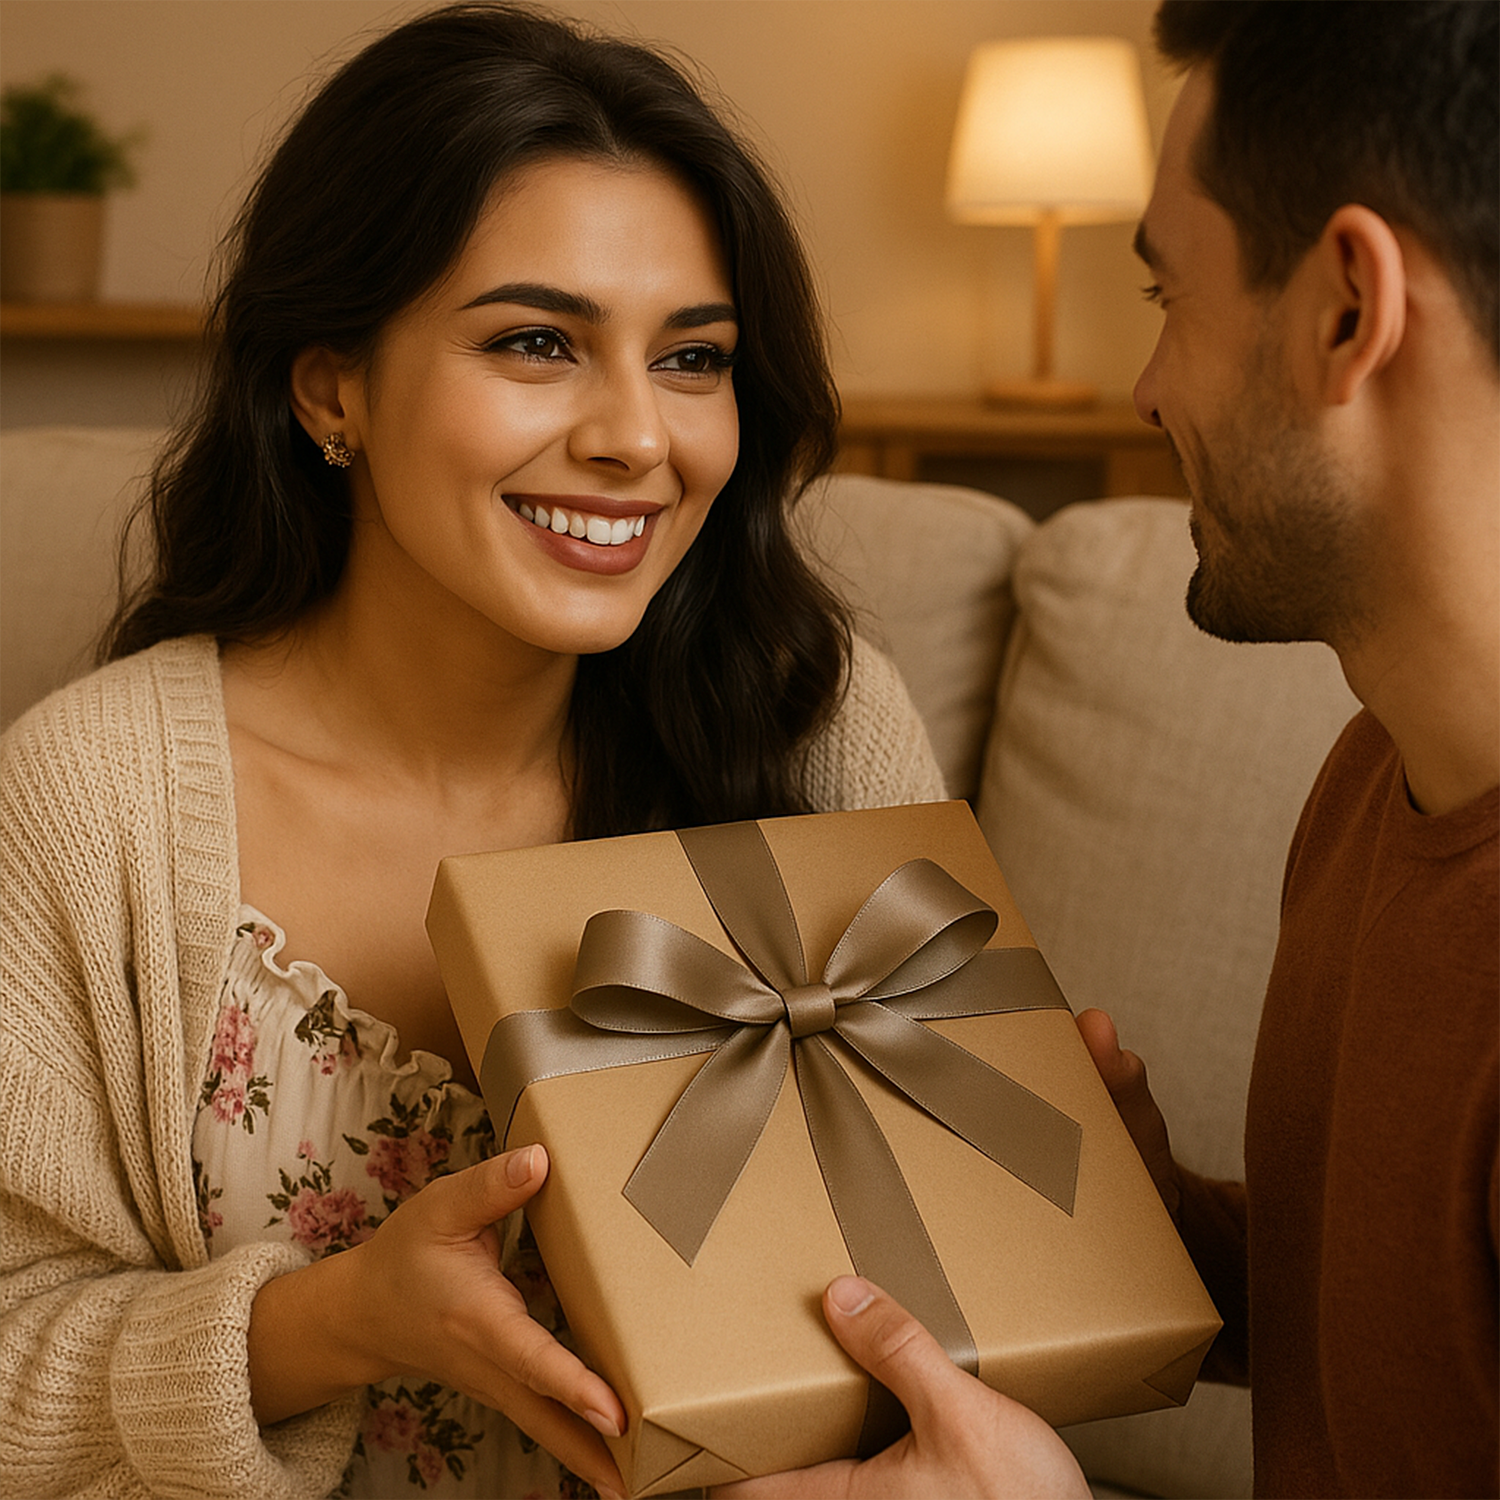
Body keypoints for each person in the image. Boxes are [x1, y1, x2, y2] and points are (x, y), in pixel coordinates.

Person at [0, 6, 948, 1497]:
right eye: (536, 342)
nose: (639, 436)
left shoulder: (816, 727)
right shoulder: (93, 800)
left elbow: (952, 1290)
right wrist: (332, 1324)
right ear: (333, 388)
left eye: (693, 358)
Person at [721, 2, 1499, 1497]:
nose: (1148, 387)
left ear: (1350, 309)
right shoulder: (1375, 781)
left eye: (1166, 295)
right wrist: (1161, 1233)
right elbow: (1420, 1352)